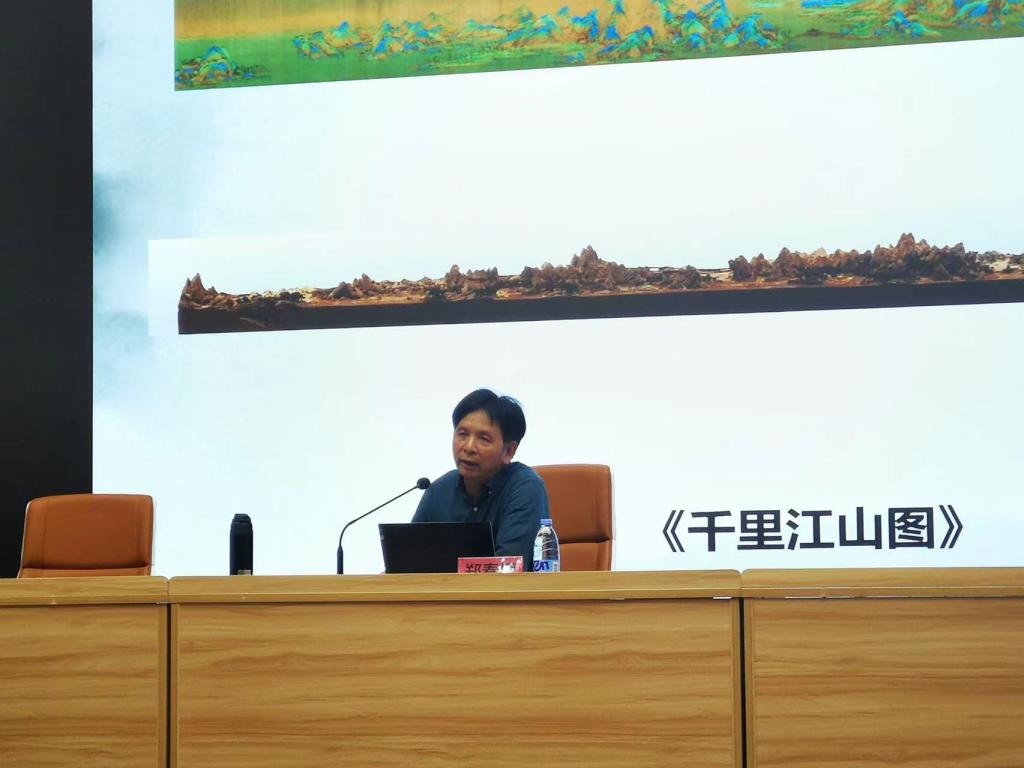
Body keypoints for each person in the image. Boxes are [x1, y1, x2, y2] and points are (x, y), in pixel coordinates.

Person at [413, 389, 549, 570]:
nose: (469, 447)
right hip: (446, 589)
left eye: (484, 439)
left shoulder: (526, 489)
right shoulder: (438, 490)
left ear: (509, 451)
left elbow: (507, 570)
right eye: (462, 434)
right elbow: (408, 561)